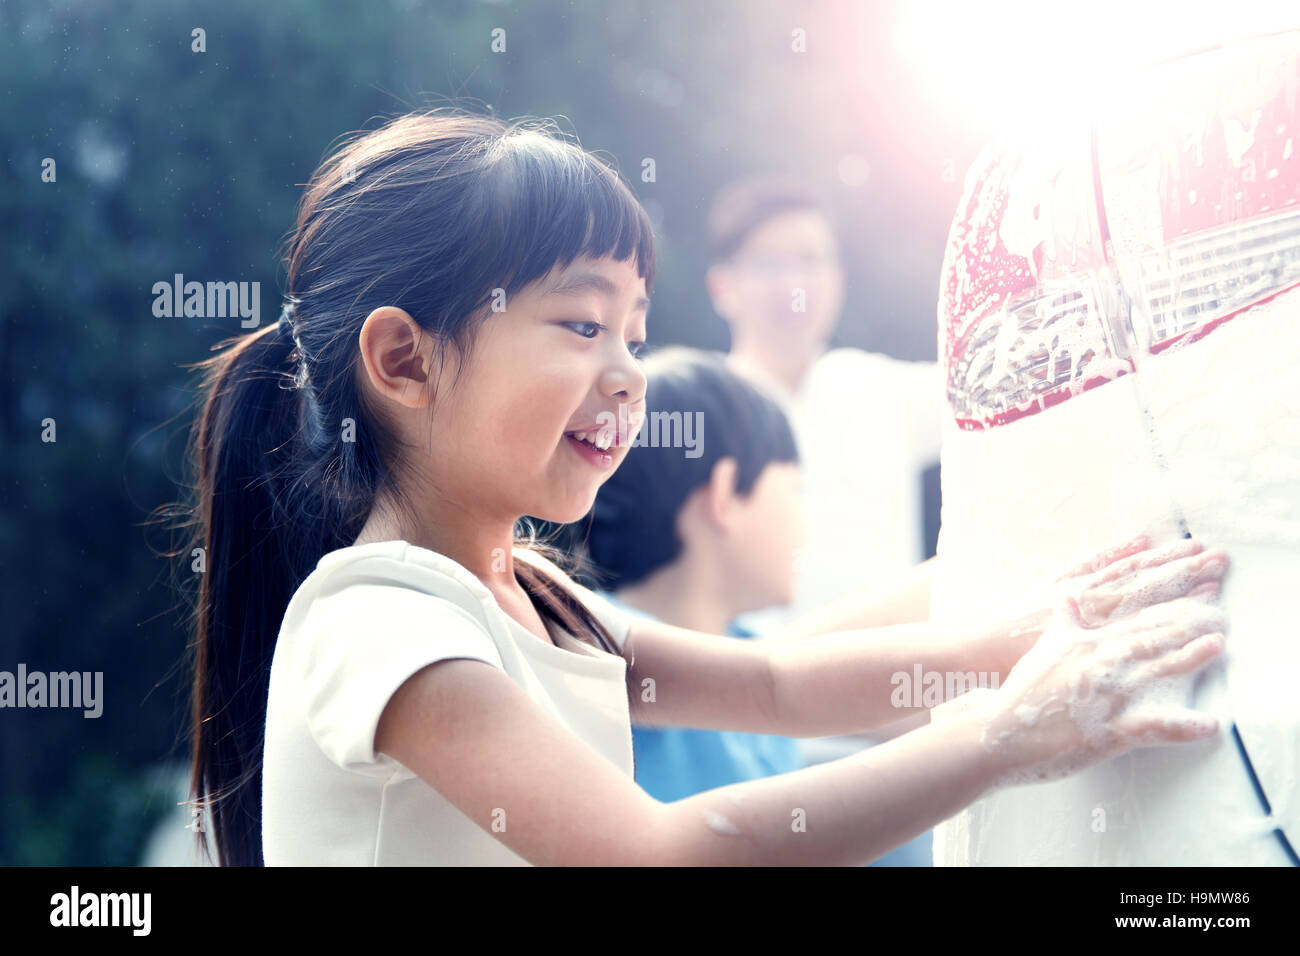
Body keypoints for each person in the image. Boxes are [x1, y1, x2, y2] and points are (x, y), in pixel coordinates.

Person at [180, 107, 1231, 866]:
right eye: (583, 324)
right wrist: (1009, 737)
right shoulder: (378, 622)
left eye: (634, 332)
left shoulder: (535, 596)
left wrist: (1057, 622)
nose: (629, 372)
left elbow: (779, 683)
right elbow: (661, 853)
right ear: (405, 361)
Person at [705, 175, 948, 863]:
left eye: (811, 259)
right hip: (762, 768)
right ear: (723, 284)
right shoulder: (695, 413)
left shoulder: (876, 388)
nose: (794, 283)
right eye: (769, 262)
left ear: (837, 277)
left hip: (906, 764)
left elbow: (1013, 380)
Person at [578, 347, 805, 803]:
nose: (805, 522)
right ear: (725, 493)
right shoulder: (596, 649)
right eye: (796, 491)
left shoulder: (747, 647)